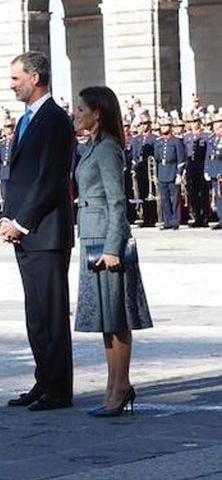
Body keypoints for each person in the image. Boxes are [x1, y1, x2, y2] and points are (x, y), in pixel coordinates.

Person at [1, 51, 76, 412]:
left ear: (35, 77)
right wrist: (7, 217)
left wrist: (21, 221)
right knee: (36, 314)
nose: (12, 84)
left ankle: (59, 389)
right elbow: (21, 175)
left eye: (16, 78)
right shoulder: (27, 120)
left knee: (51, 312)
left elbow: (51, 179)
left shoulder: (55, 119)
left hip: (45, 232)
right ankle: (44, 380)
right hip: (27, 231)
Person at [72, 86, 153, 416]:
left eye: (81, 109)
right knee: (106, 318)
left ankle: (121, 386)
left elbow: (118, 202)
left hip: (106, 239)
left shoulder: (107, 149)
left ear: (98, 113)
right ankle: (113, 385)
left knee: (117, 318)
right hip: (91, 235)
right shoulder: (91, 147)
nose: (76, 114)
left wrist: (113, 248)